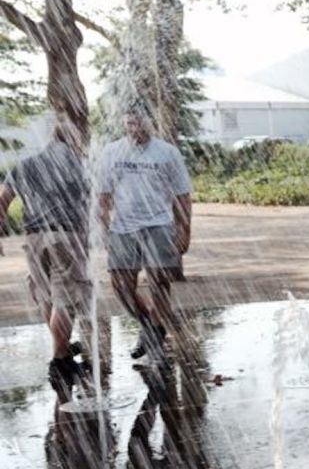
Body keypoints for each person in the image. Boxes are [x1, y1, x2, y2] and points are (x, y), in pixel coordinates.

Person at [0, 120, 92, 399]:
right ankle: (60, 360)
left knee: (46, 297)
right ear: (71, 140)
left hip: (35, 237)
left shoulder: (28, 164)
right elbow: (92, 204)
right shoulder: (79, 166)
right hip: (67, 236)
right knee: (65, 298)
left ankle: (61, 351)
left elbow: (3, 199)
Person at [96, 107, 192, 361]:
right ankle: (151, 324)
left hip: (158, 225)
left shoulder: (168, 153)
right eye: (129, 124)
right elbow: (103, 196)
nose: (134, 129)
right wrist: (103, 227)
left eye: (138, 124)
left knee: (159, 283)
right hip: (123, 228)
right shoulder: (112, 151)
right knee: (121, 286)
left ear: (150, 122)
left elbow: (182, 195)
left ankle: (157, 344)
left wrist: (185, 229)